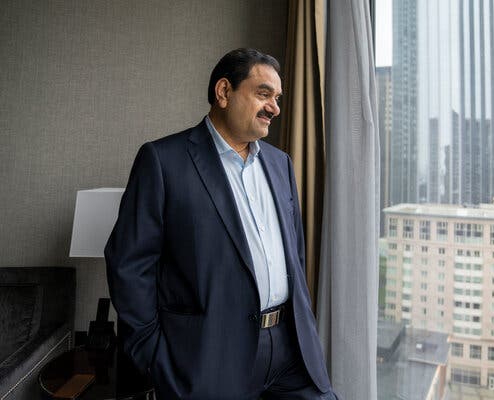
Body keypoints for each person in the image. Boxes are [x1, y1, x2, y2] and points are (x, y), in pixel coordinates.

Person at [105, 48, 338, 400]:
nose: (274, 107)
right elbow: (129, 265)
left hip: (291, 351)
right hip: (209, 358)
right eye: (263, 94)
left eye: (277, 98)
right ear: (224, 92)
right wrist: (153, 356)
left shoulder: (280, 163)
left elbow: (295, 257)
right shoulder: (163, 161)